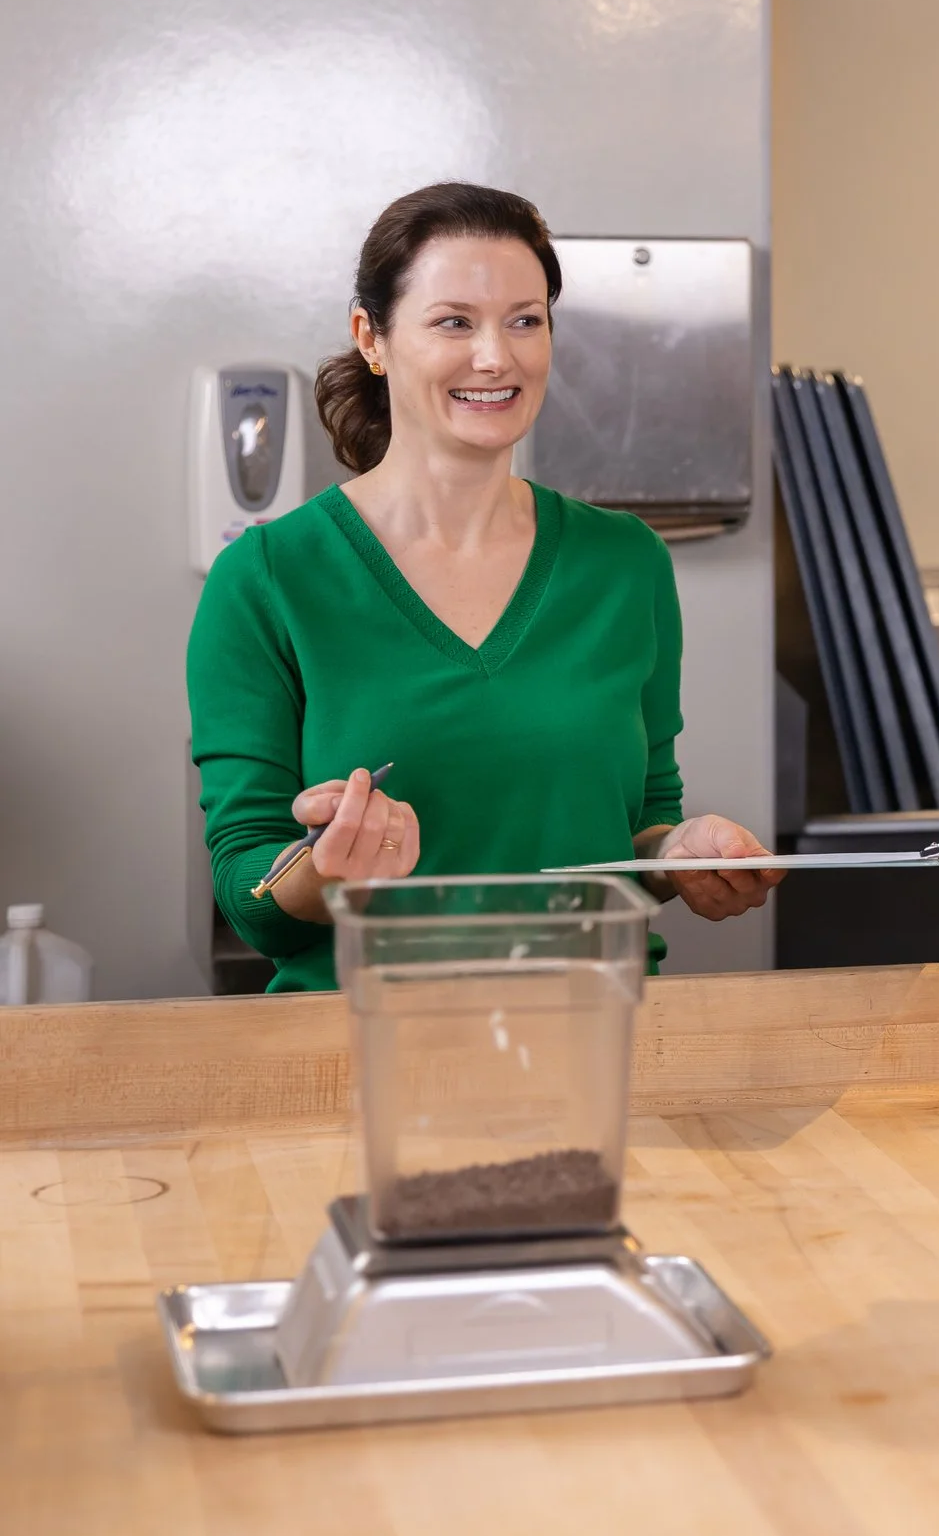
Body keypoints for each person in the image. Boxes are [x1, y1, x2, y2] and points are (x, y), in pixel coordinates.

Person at [187, 182, 782, 991]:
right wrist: (322, 872)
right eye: (453, 321)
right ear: (372, 336)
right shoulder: (266, 579)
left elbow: (640, 819)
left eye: (525, 320)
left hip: (594, 1042)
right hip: (364, 1056)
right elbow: (247, 894)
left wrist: (676, 855)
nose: (496, 356)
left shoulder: (625, 563)